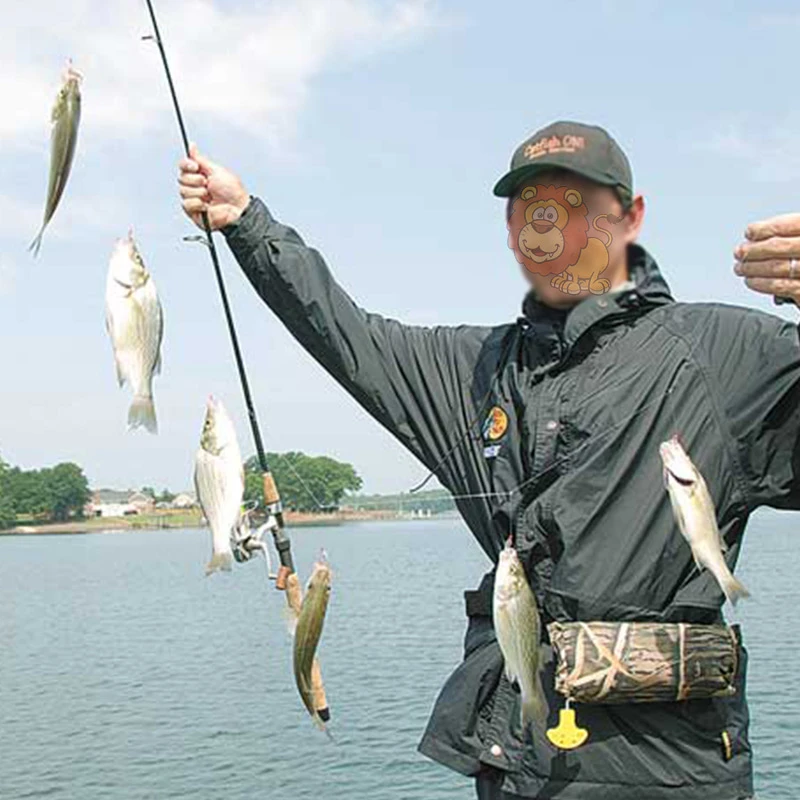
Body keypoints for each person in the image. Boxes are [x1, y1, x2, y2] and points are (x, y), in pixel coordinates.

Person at [177, 120, 800, 799]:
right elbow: (346, 333)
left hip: (677, 771)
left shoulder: (728, 355)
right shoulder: (476, 371)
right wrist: (246, 223)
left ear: (632, 216)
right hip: (519, 764)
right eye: (530, 207)